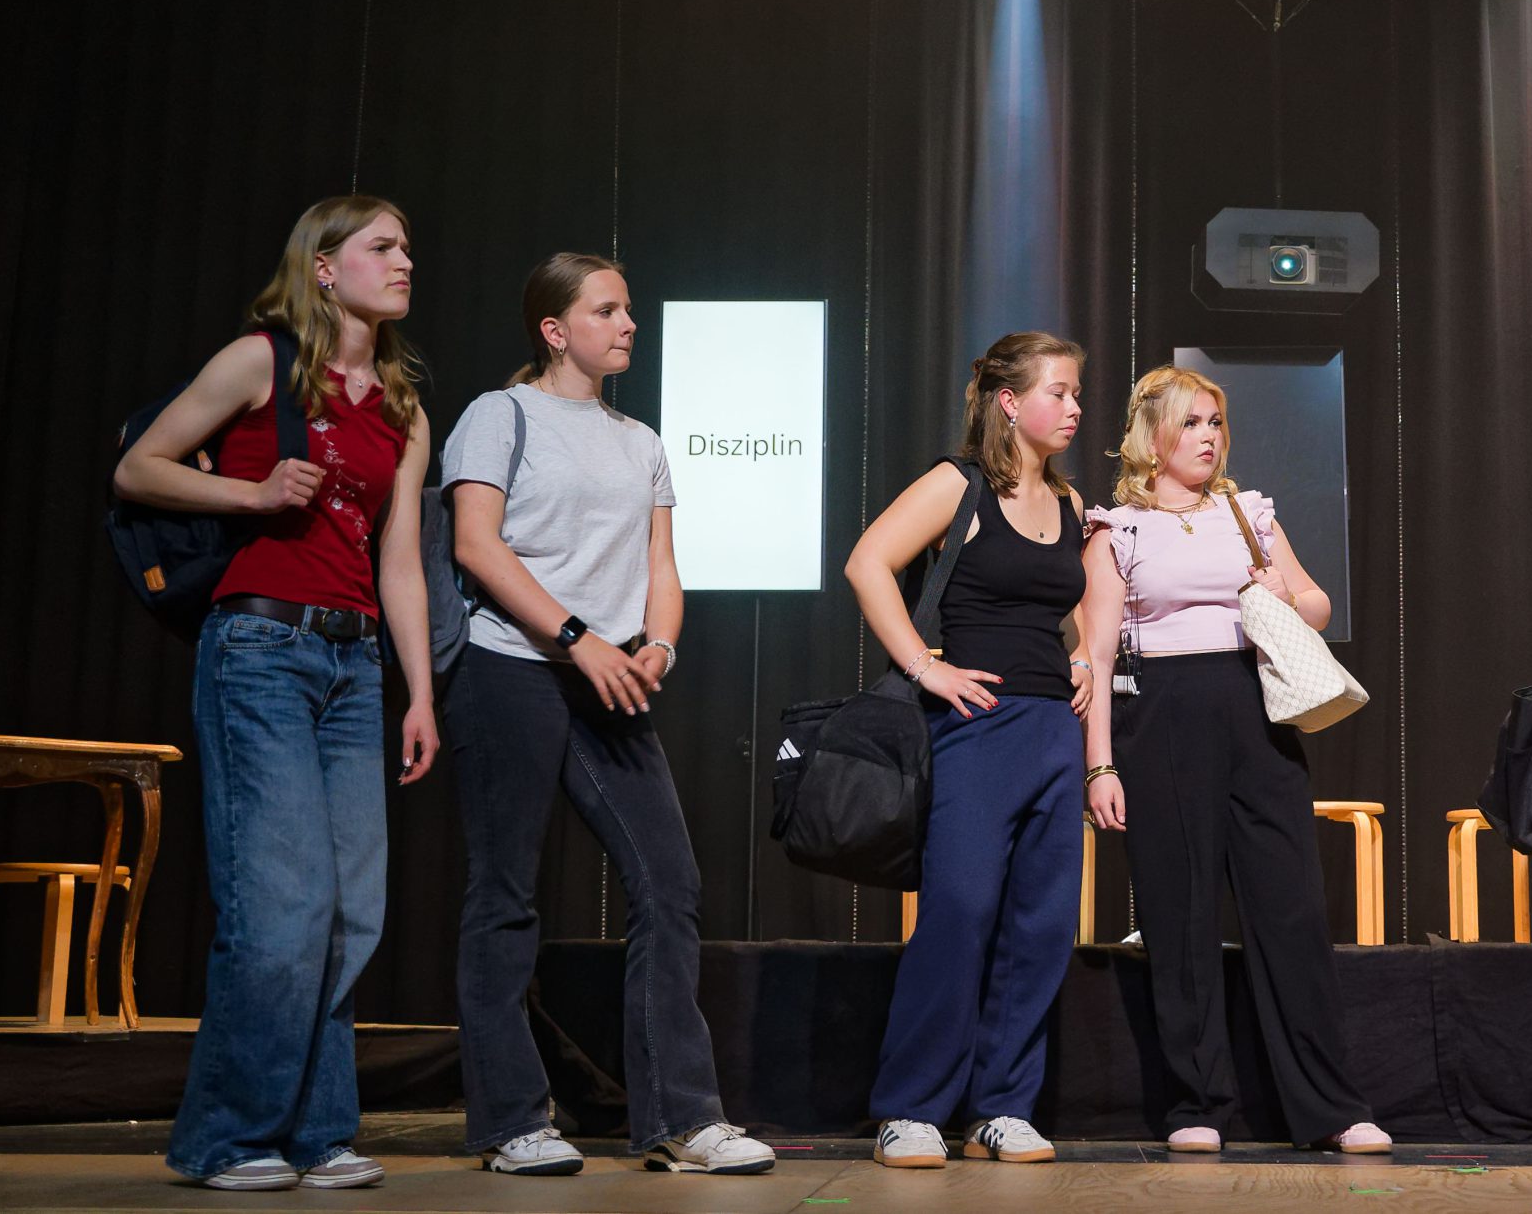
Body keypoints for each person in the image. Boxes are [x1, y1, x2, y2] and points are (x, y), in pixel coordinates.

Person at [114, 194, 438, 1192]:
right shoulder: (261, 361)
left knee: (352, 913)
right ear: (324, 266)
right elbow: (139, 469)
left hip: (356, 665)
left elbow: (400, 562)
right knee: (281, 903)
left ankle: (316, 1131)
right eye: (382, 246)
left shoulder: (403, 408)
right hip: (261, 647)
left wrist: (420, 693)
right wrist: (251, 495)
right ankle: (226, 1136)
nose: (404, 261)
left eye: (407, 248)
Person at [441, 253, 773, 1177]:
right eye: (607, 309)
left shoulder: (641, 439)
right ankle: (512, 1120)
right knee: (505, 891)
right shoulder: (499, 415)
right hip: (511, 668)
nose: (629, 324)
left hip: (611, 678)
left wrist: (658, 642)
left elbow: (661, 563)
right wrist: (577, 635)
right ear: (555, 330)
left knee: (670, 882)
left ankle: (680, 1118)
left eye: (629, 309)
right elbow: (477, 545)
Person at [1077, 366, 1390, 1155]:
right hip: (1162, 717)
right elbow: (1098, 654)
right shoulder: (1118, 529)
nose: (1208, 436)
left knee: (1291, 908)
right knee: (1178, 914)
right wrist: (1100, 764)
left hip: (1255, 712)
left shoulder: (1248, 511)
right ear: (1153, 435)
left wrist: (1283, 590)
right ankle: (1196, 1102)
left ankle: (1330, 1105)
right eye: (1191, 422)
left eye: (1215, 421)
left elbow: (1316, 604)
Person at [847, 332, 1092, 1170]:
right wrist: (926, 666)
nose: (1074, 407)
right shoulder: (961, 483)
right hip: (976, 726)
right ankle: (912, 1106)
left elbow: (1066, 607)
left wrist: (1082, 657)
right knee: (958, 908)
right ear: (1009, 402)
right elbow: (868, 562)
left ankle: (1003, 1105)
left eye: (1077, 393)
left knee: (1041, 923)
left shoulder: (1069, 499)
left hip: (1053, 728)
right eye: (1059, 391)